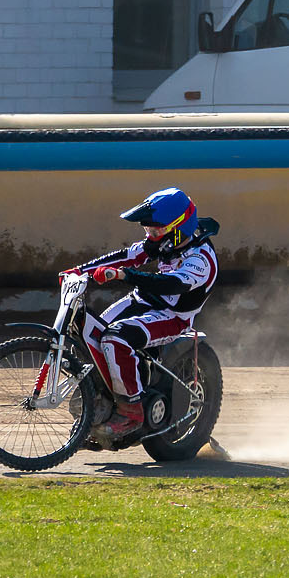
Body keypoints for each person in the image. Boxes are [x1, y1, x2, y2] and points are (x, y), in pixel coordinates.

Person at [73, 187, 220, 444]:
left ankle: (131, 413)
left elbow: (171, 285)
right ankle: (96, 407)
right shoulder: (162, 242)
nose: (150, 236)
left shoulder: (201, 258)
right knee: (91, 334)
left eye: (155, 231)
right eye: (147, 231)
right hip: (141, 301)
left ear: (178, 228)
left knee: (115, 339)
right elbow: (129, 256)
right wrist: (78, 271)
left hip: (172, 316)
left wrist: (125, 276)